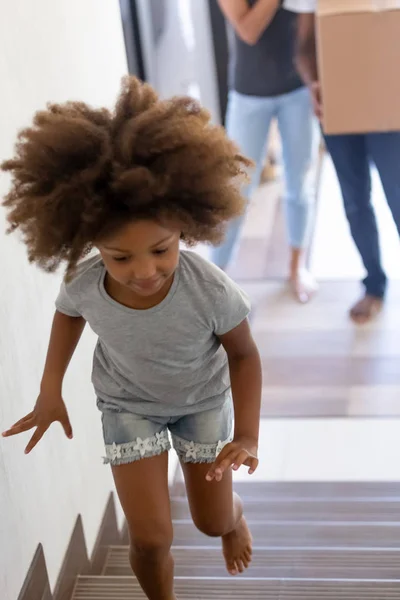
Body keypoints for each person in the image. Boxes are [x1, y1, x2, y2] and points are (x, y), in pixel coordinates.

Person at [1, 77, 262, 600]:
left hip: (202, 402)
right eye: (121, 257)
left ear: (186, 229)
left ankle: (233, 521)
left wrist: (248, 435)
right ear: (88, 239)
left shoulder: (208, 288)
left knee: (209, 522)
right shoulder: (85, 283)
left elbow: (244, 354)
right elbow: (67, 316)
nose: (144, 270)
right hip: (127, 405)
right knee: (149, 536)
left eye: (161, 250)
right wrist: (49, 391)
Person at [284, 0, 400, 324]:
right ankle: (374, 284)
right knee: (354, 201)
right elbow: (303, 47)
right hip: (339, 103)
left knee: (398, 196)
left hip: (391, 107)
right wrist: (313, 84)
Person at [213, 0, 318, 303]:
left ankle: (297, 268)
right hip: (249, 95)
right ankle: (216, 277)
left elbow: (310, 24)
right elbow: (248, 30)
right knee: (236, 189)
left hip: (297, 90)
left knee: (299, 183)